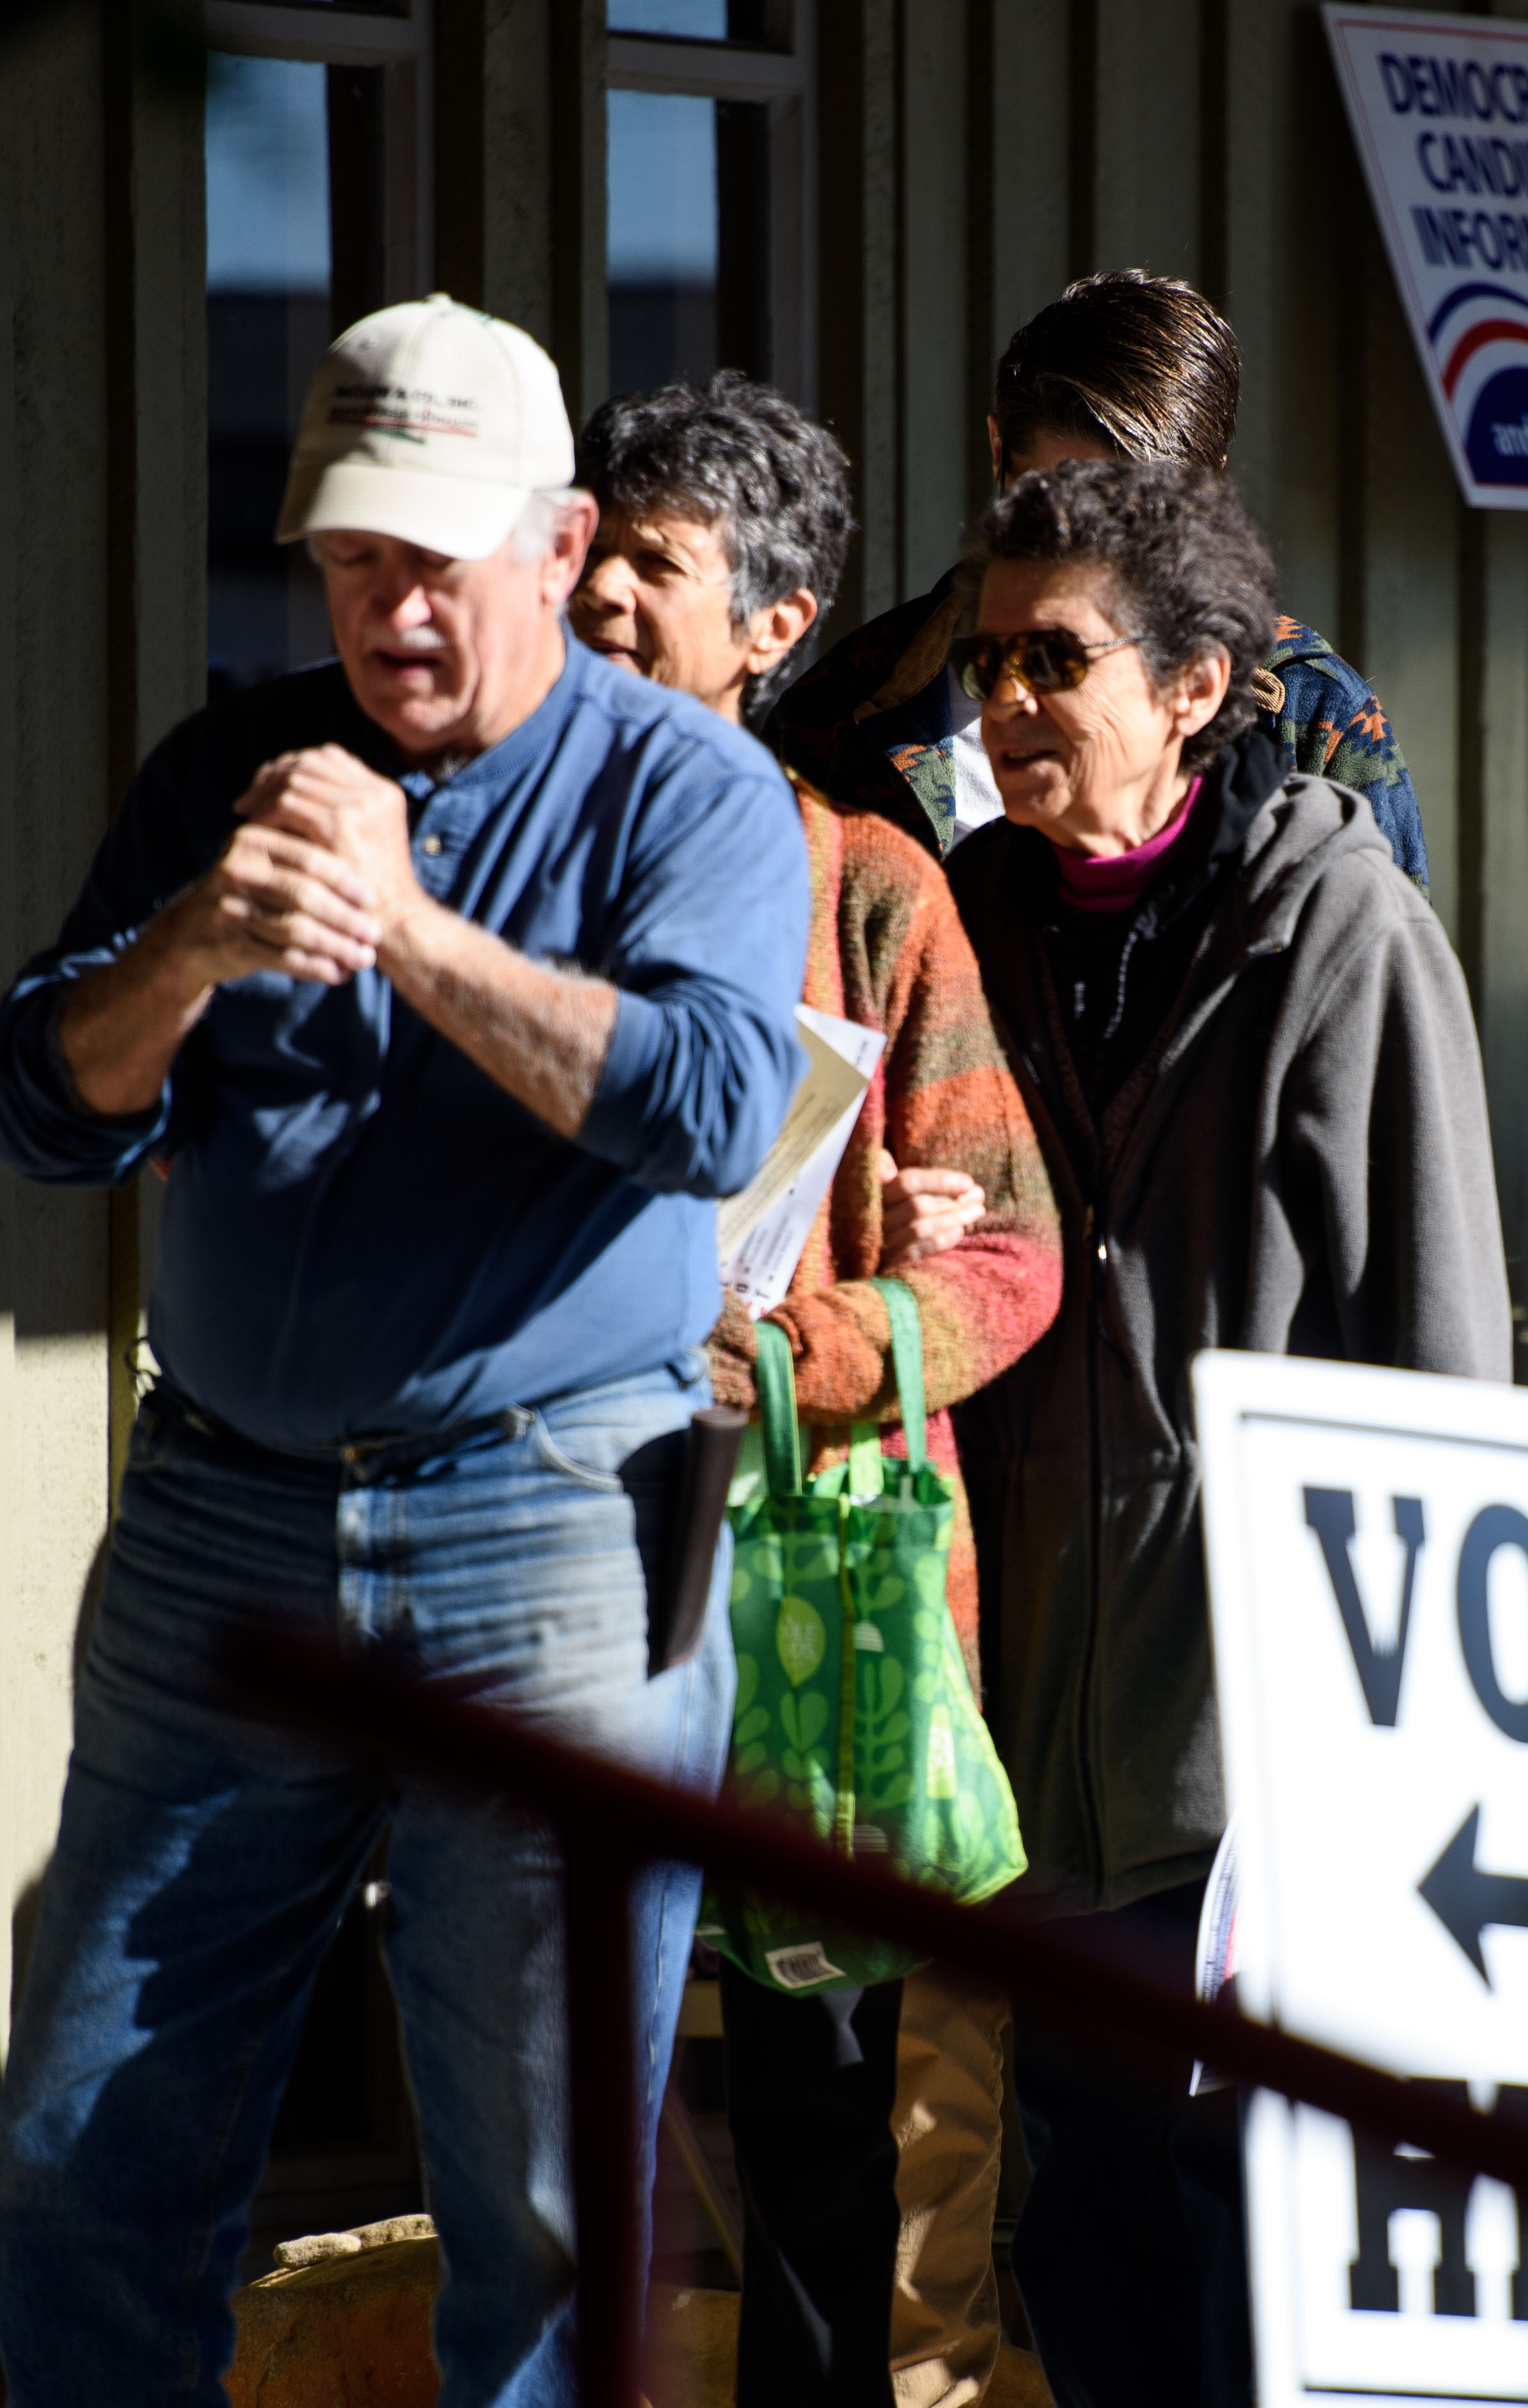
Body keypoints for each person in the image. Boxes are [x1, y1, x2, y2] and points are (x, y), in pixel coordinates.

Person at [0, 297, 804, 2404]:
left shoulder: (689, 787)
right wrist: (195, 941)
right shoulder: (228, 773)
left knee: (541, 2205)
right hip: (226, 1527)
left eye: (437, 560)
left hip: (550, 1533)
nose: (393, 610)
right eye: (354, 559)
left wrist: (416, 933)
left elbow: (714, 1105)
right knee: (86, 2139)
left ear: (558, 546)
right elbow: (40, 1102)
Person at [939, 456, 1510, 2407]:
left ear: (1195, 685)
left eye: (1054, 660)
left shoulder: (1336, 927)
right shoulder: (965, 918)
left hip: (1263, 1699)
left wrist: (1420, 1727)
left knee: (1258, 2201)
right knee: (1080, 2194)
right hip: (1029, 1679)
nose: (1006, 701)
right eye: (987, 659)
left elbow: (1440, 1345)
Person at [571, 371, 1064, 2408]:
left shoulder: (870, 884)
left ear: (775, 628)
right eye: (588, 554)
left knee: (813, 2111)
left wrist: (799, 1346)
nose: (600, 598)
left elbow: (1013, 1257)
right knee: (555, 2082)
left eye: (652, 573)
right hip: (542, 1545)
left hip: (802, 1575)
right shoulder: (499, 868)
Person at [767, 269, 1425, 881]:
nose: (1085, 548)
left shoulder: (1307, 713)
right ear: (999, 453)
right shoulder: (842, 714)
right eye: (1050, 503)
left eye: (1135, 517)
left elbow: (1377, 983)